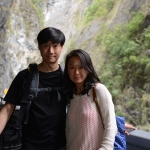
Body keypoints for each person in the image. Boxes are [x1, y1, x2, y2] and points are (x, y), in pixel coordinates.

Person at [0, 27, 67, 150]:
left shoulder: (68, 77)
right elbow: (7, 110)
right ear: (39, 47)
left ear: (61, 47)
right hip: (29, 144)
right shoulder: (25, 77)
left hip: (61, 144)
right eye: (46, 45)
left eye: (55, 46)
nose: (51, 51)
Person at [64, 49, 117, 150]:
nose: (76, 72)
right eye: (72, 67)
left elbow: (111, 126)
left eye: (81, 67)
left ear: (88, 68)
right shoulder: (71, 95)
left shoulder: (98, 90)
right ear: (67, 70)